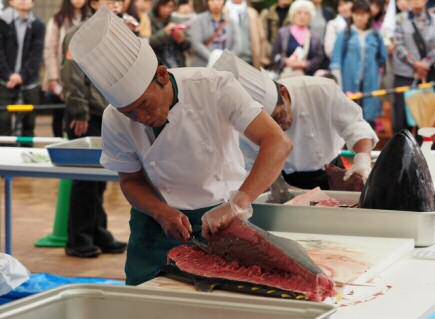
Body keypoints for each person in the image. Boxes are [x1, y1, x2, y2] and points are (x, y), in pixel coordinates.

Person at [70, 7, 291, 285]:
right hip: (154, 223)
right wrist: (161, 213)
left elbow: (277, 142)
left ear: (162, 75)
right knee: (144, 303)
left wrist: (239, 203)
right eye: (130, 113)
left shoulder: (214, 87)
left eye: (144, 106)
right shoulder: (114, 117)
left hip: (221, 218)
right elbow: (130, 180)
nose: (142, 119)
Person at [212, 50, 378, 189]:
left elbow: (355, 125)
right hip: (280, 181)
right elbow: (247, 164)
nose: (279, 127)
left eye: (278, 116)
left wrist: (362, 158)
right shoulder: (244, 122)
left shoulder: (320, 90)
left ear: (284, 93)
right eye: (268, 124)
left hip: (334, 172)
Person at [60, 0, 128, 258]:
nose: (116, 5)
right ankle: (78, 239)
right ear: (94, 3)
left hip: (108, 112)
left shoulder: (117, 32)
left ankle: (98, 231)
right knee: (85, 180)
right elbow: (72, 75)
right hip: (86, 114)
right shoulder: (80, 33)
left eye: (119, 1)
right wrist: (79, 111)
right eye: (109, 1)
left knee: (100, 179)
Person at [330, 0, 387, 128]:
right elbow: (336, 61)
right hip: (348, 84)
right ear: (352, 15)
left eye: (363, 14)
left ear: (369, 15)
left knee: (369, 120)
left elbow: (382, 59)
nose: (360, 17)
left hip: (370, 84)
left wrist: (375, 73)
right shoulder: (345, 34)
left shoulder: (376, 35)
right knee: (349, 120)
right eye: (357, 14)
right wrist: (339, 85)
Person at [0, 0, 45, 141]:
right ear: (12, 2)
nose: (25, 0)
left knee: (29, 125)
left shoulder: (38, 25)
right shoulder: (2, 21)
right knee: (3, 123)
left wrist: (21, 76)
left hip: (30, 82)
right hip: (4, 82)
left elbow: (36, 56)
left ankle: (27, 156)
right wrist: (9, 75)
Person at [44, 0, 88, 138]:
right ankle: (58, 142)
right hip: (62, 76)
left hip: (84, 78)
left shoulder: (90, 18)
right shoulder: (58, 19)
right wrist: (53, 78)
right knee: (59, 115)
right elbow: (50, 50)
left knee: (78, 117)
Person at [392, 0, 435, 132]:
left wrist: (426, 63)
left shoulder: (433, 20)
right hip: (405, 75)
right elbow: (398, 45)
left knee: (427, 120)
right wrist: (416, 64)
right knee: (401, 120)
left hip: (429, 75)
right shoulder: (400, 19)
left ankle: (426, 151)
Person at [272, 0, 325, 77]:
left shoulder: (315, 37)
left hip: (307, 78)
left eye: (306, 13)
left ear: (310, 17)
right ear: (293, 15)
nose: (302, 16)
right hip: (285, 76)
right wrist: (286, 61)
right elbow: (274, 55)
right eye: (299, 13)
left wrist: (305, 64)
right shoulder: (283, 33)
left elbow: (319, 58)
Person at [188, 0, 240, 66]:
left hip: (226, 65)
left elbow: (237, 44)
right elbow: (196, 43)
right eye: (212, 0)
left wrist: (228, 59)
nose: (216, 3)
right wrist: (213, 58)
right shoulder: (198, 20)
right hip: (203, 64)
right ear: (207, 2)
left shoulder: (231, 21)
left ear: (223, 2)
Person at [224, 0, 267, 67]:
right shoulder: (223, 11)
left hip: (250, 60)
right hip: (229, 60)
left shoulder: (253, 13)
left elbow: (262, 37)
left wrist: (262, 57)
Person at [148, 0, 191, 68]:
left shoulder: (176, 20)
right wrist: (165, 33)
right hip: (159, 62)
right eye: (164, 6)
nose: (167, 9)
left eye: (170, 6)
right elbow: (147, 42)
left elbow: (188, 46)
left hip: (177, 61)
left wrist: (182, 40)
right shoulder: (148, 20)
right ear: (157, 6)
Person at [260, 0, 292, 64]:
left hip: (290, 60)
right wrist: (263, 56)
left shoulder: (297, 13)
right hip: (268, 57)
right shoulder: (267, 13)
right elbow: (261, 37)